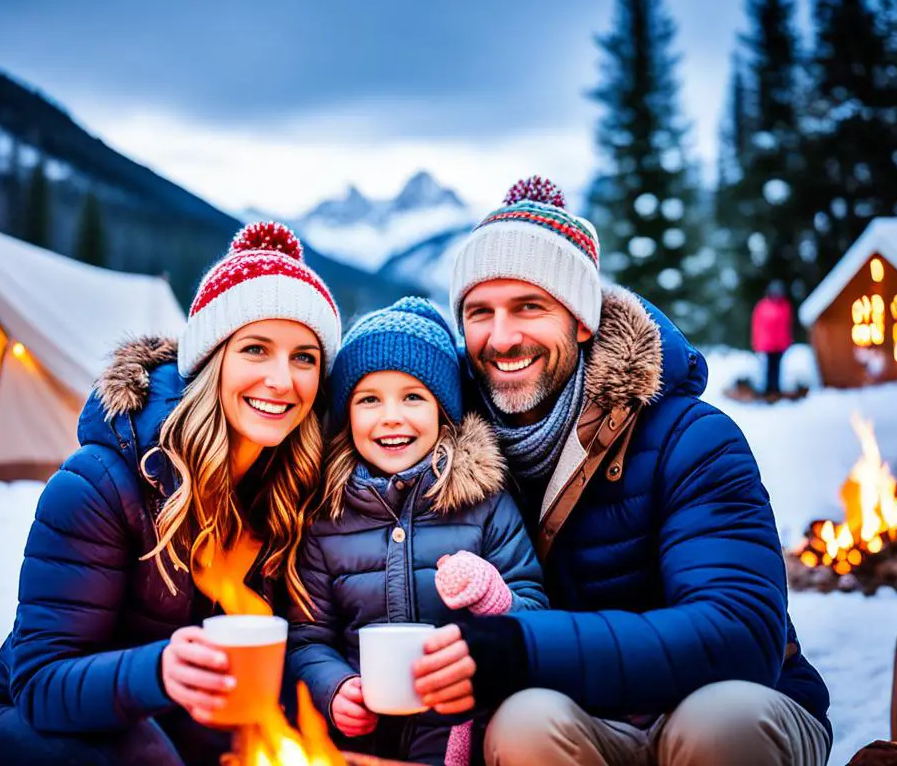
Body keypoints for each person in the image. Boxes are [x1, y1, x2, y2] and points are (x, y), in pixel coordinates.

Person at [410, 176, 831, 766]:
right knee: (523, 722)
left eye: (529, 306)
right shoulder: (449, 448)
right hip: (585, 721)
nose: (502, 337)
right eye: (480, 312)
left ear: (582, 321)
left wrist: (521, 649)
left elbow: (739, 636)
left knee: (718, 720)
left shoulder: (693, 439)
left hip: (739, 709)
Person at [0, 221, 342, 766]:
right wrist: (160, 669)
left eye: (304, 357)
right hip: (10, 724)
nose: (281, 379)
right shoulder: (103, 483)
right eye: (256, 349)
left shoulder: (288, 492)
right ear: (210, 362)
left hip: (159, 725)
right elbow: (38, 682)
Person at [286, 297, 546, 766]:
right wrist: (334, 688)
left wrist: (495, 596)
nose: (391, 416)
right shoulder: (326, 514)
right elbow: (308, 638)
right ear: (347, 414)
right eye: (369, 399)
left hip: (466, 742)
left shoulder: (484, 501)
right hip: (361, 749)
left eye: (412, 397)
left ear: (443, 410)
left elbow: (535, 612)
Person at [752, 279, 794, 396]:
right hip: (767, 344)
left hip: (780, 344)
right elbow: (757, 325)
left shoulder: (785, 306)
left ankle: (776, 390)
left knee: (777, 368)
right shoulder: (762, 306)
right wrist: (756, 342)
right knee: (766, 368)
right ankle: (766, 390)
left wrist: (788, 340)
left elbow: (787, 325)